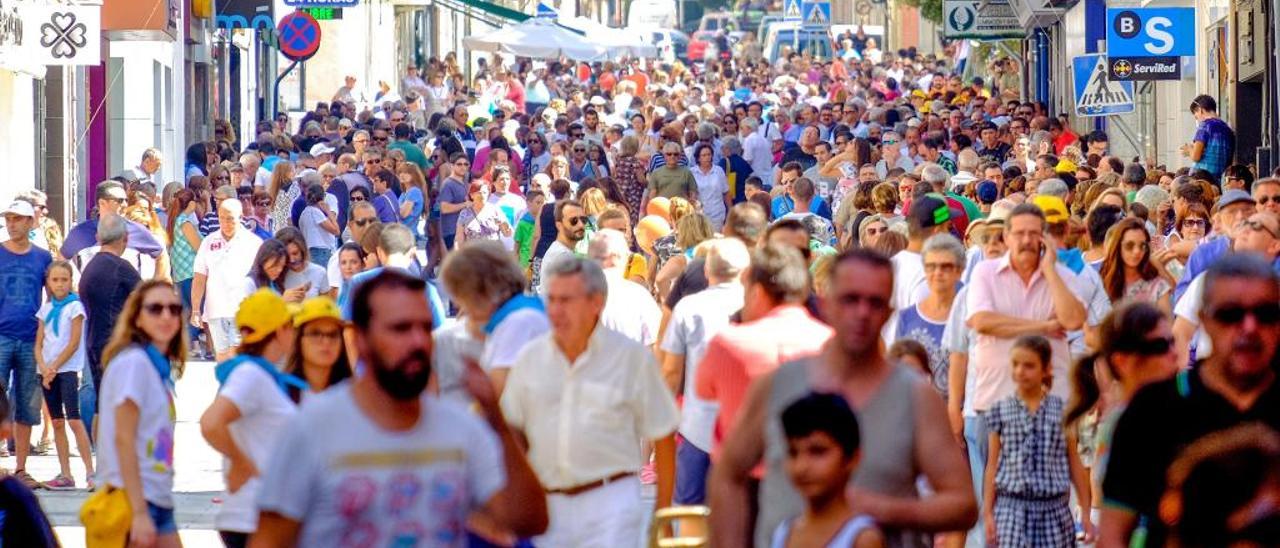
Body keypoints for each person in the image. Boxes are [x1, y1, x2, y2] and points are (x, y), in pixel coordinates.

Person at [253, 270, 548, 545]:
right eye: (400, 328)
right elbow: (270, 538)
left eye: (424, 327)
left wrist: (496, 419)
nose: (418, 341)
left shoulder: (461, 429)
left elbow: (528, 521)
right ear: (360, 339)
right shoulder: (311, 429)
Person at [709, 250, 977, 548]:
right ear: (826, 304)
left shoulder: (914, 395)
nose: (862, 313)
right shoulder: (779, 384)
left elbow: (963, 504)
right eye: (850, 299)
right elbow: (727, 475)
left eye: (875, 302)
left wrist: (883, 510)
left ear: (888, 313)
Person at [1100, 254, 1280, 547]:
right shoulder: (1154, 408)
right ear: (1205, 321)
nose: (1249, 327)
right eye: (1230, 314)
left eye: (1266, 314)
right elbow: (1114, 530)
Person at [500, 257, 679, 546]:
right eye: (552, 300)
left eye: (566, 300)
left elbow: (663, 433)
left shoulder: (630, 358)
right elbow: (513, 429)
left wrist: (664, 515)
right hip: (548, 504)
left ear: (596, 303)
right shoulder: (531, 358)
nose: (555, 310)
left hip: (611, 502)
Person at [696, 243, 833, 458]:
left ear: (757, 292)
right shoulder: (831, 343)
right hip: (814, 478)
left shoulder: (727, 343)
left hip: (744, 476)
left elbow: (703, 391)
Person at [201, 288, 301, 548]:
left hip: (262, 515)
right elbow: (211, 422)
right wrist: (241, 462)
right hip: (253, 516)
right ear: (279, 330)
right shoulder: (250, 374)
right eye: (291, 325)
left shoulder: (256, 374)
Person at [661, 238, 751, 506]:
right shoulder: (756, 303)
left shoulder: (689, 308)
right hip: (745, 428)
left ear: (707, 271)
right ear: (745, 271)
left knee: (691, 512)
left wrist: (665, 417)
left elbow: (671, 370)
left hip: (697, 426)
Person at [95, 279, 186, 548]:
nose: (166, 315)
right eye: (155, 308)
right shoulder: (134, 363)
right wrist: (139, 512)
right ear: (137, 317)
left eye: (174, 308)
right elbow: (123, 439)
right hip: (133, 499)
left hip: (156, 497)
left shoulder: (155, 367)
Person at [983, 335, 1093, 546]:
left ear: (1046, 369)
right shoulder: (1000, 410)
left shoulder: (1062, 411)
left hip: (1053, 511)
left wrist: (1085, 512)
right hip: (1011, 510)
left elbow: (1074, 463)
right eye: (1015, 364)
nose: (1020, 371)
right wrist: (988, 512)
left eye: (1029, 366)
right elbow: (992, 466)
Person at [771, 393, 884, 548]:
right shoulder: (784, 533)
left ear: (852, 458)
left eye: (818, 452)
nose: (801, 467)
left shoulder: (861, 538)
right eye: (793, 453)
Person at [439, 241, 549, 394]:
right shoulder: (514, 315)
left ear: (480, 291)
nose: (461, 308)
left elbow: (495, 393)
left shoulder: (520, 321)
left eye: (463, 297)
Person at [0, 200, 53, 489]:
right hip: (1, 336)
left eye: (18, 219)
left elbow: (55, 295)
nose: (12, 223)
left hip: (31, 338)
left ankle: (20, 469)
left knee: (27, 405)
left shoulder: (42, 257)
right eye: (8, 218)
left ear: (31, 222)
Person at [34, 261, 93, 490]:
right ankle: (65, 473)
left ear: (71, 282)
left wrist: (54, 367)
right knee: (56, 421)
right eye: (55, 280)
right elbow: (38, 343)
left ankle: (90, 471)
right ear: (48, 283)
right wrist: (44, 367)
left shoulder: (75, 307)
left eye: (64, 280)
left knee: (74, 419)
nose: (59, 284)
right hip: (46, 372)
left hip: (66, 370)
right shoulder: (45, 309)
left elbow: (73, 342)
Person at [888, 233, 964, 400]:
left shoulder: (969, 316)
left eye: (946, 267)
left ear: (959, 271)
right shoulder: (906, 317)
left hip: (962, 414)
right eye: (931, 266)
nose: (937, 273)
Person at [191, 199, 264, 362]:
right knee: (222, 356)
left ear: (241, 217)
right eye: (221, 218)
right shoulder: (208, 242)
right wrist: (196, 309)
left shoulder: (254, 243)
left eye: (230, 218)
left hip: (243, 309)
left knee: (236, 353)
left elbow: (262, 277)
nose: (225, 223)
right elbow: (199, 277)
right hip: (216, 310)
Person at [61, 181, 166, 279]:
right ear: (102, 203)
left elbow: (160, 255)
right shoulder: (81, 232)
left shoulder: (136, 230)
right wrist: (74, 286)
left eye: (126, 200)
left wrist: (154, 285)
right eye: (119, 201)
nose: (125, 205)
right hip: (91, 297)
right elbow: (61, 259)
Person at [588, 229, 661, 347]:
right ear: (615, 257)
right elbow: (657, 344)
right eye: (627, 255)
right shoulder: (638, 296)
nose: (628, 259)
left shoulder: (569, 296)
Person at [282, 296, 352, 402]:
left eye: (333, 335)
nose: (326, 341)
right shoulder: (279, 393)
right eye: (315, 333)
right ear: (298, 339)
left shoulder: (357, 396)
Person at [1100, 217, 1173, 311]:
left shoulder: (1157, 286)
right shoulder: (1102, 281)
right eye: (1129, 246)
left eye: (1142, 246)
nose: (1136, 251)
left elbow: (1166, 323)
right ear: (1118, 247)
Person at [1181, 95, 1235, 182]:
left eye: (1196, 114)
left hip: (1200, 178)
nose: (1196, 118)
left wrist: (1189, 149)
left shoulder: (1205, 126)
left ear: (1200, 109)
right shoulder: (1228, 130)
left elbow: (1196, 156)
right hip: (1219, 180)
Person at [537, 199, 586, 295]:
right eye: (574, 221)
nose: (580, 225)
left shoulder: (560, 251)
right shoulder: (562, 256)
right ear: (559, 225)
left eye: (583, 220)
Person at [456, 181, 512, 245]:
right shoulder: (465, 213)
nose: (482, 195)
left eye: (484, 192)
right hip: (473, 253)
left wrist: (503, 223)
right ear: (472, 195)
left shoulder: (495, 210)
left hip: (492, 252)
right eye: (479, 193)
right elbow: (459, 238)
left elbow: (507, 234)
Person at [297, 183, 339, 267]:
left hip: (311, 252)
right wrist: (328, 212)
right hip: (320, 253)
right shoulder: (315, 212)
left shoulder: (304, 213)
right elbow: (336, 231)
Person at [690, 143, 731, 230]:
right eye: (704, 155)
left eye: (709, 154)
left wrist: (730, 210)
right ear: (698, 158)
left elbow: (726, 192)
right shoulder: (692, 172)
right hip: (699, 214)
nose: (707, 157)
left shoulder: (718, 171)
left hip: (717, 213)